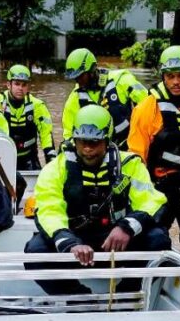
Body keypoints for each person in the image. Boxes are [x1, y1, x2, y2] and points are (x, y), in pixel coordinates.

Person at [25, 104, 170, 297]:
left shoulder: (129, 165)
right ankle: (79, 298)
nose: (87, 149)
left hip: (117, 241)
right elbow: (49, 209)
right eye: (81, 142)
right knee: (35, 252)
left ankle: (125, 294)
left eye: (94, 143)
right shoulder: (56, 169)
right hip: (76, 242)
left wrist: (127, 227)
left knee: (158, 240)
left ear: (107, 141)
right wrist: (69, 243)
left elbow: (152, 201)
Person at [128, 45, 180, 246]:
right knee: (152, 237)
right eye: (170, 76)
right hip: (162, 185)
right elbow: (136, 158)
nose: (176, 82)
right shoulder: (147, 109)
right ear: (163, 76)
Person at [0, 64, 55, 203]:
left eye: (24, 85)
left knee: (43, 190)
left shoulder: (37, 106)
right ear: (8, 84)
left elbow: (46, 134)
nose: (20, 88)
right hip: (5, 159)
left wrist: (50, 158)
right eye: (17, 84)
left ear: (28, 87)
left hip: (29, 157)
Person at [60, 48, 148, 150]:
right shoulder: (74, 99)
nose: (78, 81)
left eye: (81, 76)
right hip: (97, 153)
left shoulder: (121, 80)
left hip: (129, 145)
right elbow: (69, 133)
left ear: (92, 70)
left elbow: (148, 105)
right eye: (75, 78)